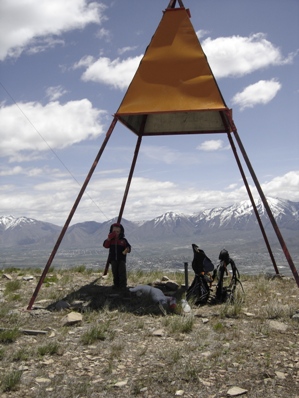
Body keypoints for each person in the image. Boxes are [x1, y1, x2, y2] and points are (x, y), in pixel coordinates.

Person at [103, 222, 131, 290]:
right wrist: (109, 239)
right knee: (115, 272)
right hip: (113, 259)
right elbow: (105, 245)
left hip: (121, 259)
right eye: (114, 231)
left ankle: (123, 286)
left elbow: (128, 247)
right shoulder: (110, 240)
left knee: (122, 272)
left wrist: (127, 249)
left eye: (118, 231)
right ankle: (116, 285)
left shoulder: (123, 240)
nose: (116, 233)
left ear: (121, 232)